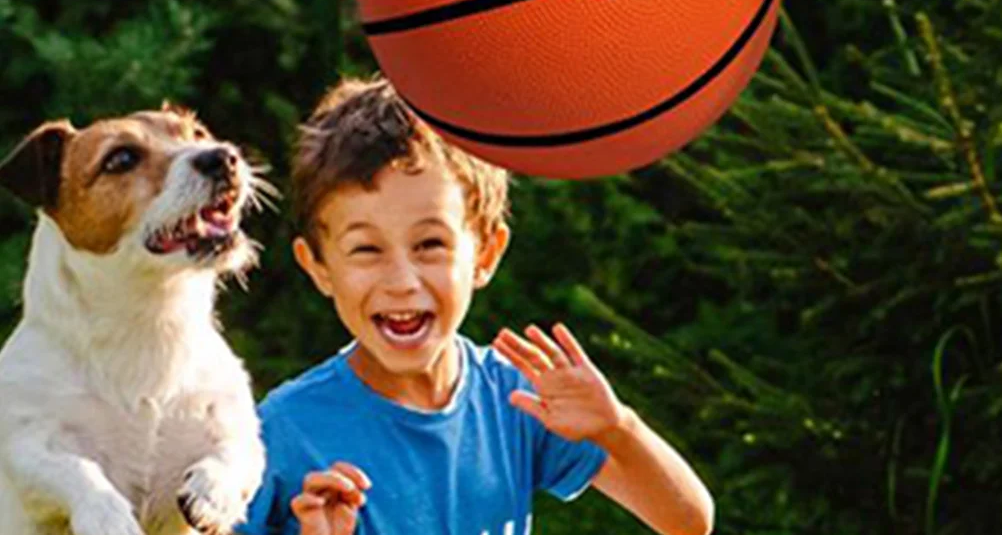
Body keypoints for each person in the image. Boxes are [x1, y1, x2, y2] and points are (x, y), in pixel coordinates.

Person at [235, 75, 714, 535]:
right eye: (366, 249)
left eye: (429, 245)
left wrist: (618, 428)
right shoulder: (280, 431)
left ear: (485, 254)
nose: (402, 281)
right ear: (318, 265)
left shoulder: (518, 400)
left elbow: (689, 520)